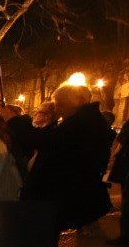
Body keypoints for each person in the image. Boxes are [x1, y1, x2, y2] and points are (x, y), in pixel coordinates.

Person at [25, 82, 115, 232]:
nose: (58, 110)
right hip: (66, 190)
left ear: (79, 101)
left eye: (61, 105)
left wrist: (18, 123)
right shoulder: (87, 120)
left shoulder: (82, 123)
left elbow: (49, 142)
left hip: (63, 192)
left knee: (47, 234)